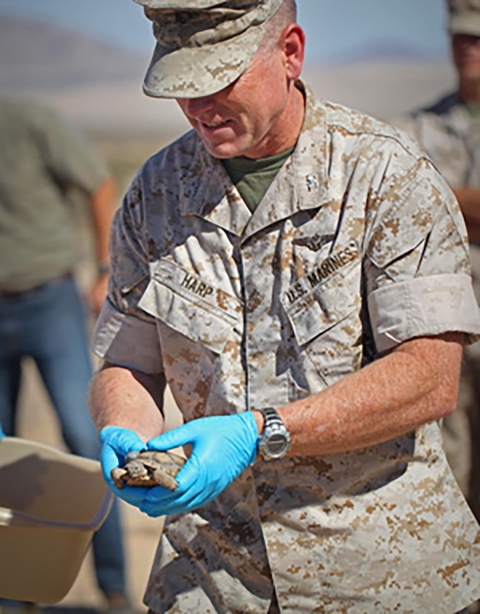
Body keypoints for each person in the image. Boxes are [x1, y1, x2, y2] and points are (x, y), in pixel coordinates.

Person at [88, 1, 480, 612]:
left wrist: (262, 432)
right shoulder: (154, 196)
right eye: (181, 86)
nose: (198, 106)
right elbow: (126, 360)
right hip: (213, 577)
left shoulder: (386, 176)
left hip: (374, 573)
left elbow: (430, 378)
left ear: (290, 52)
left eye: (218, 80)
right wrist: (129, 434)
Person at [0, 99, 130, 613]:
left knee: (87, 436)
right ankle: (15, 589)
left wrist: (104, 267)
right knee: (3, 453)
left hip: (48, 300)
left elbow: (98, 182)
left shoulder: (29, 121)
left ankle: (115, 587)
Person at [392, 0, 480, 529]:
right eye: (460, 37)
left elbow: (432, 202)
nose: (468, 48)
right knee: (447, 480)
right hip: (445, 327)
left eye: (479, 38)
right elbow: (407, 206)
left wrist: (446, 199)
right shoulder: (416, 128)